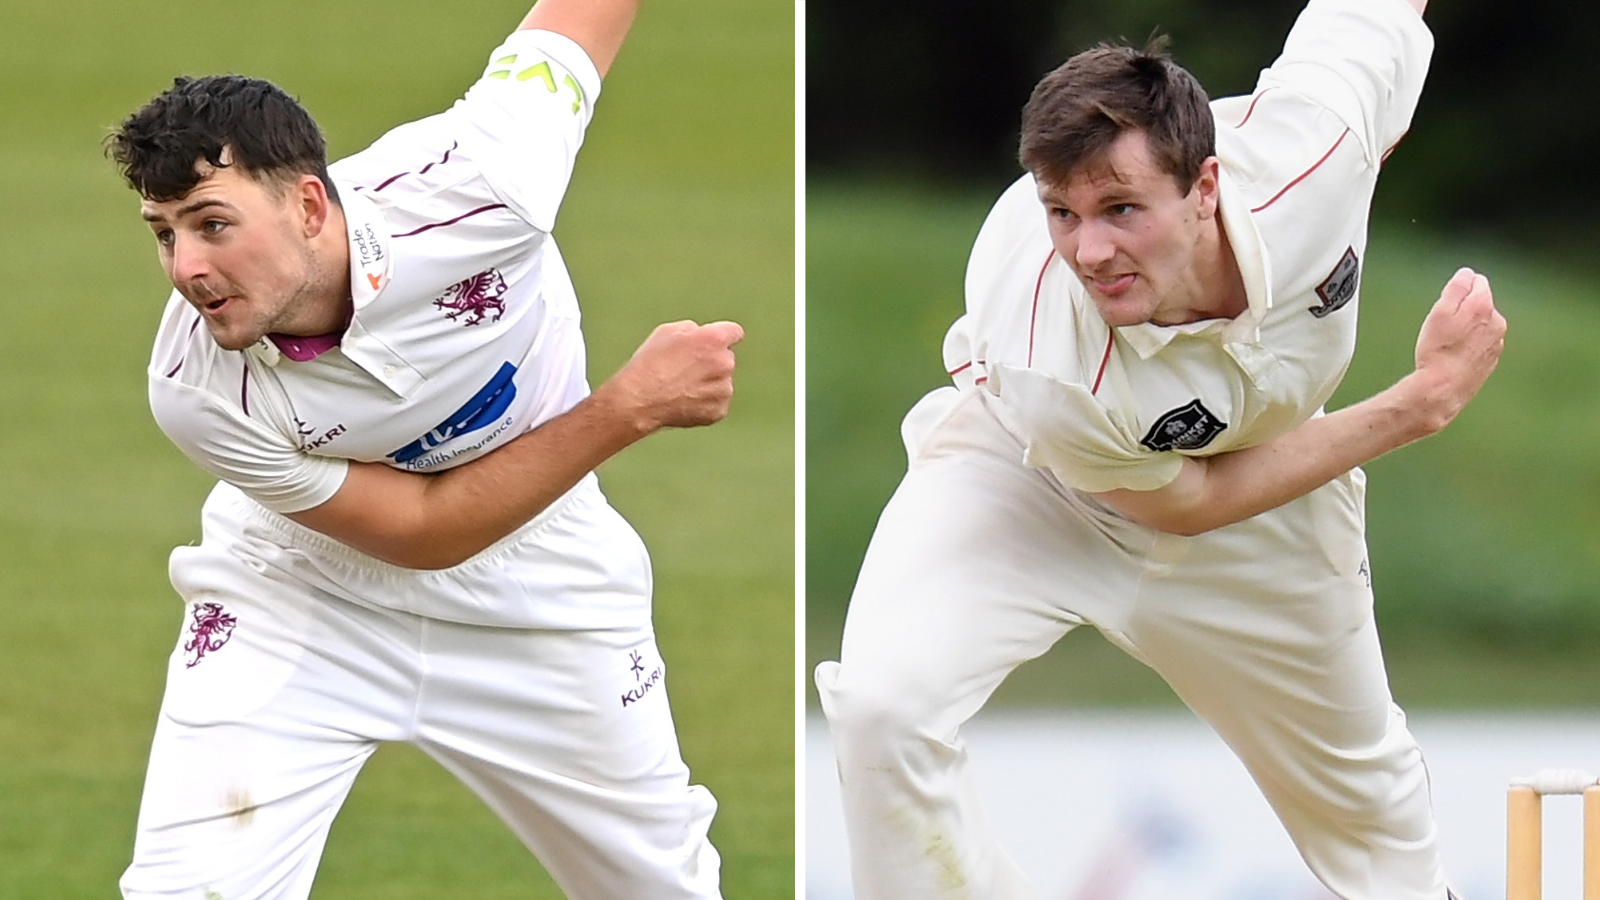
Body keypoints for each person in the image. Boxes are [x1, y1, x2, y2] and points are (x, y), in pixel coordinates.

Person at [814, 0, 1505, 897]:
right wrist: (1419, 404)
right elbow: (1186, 505)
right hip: (1030, 481)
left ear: (1206, 186)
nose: (1090, 250)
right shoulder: (1044, 348)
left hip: (1267, 487)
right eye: (1061, 211)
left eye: (1122, 208)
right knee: (882, 711)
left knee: (1372, 812)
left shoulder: (1314, 147)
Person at [107, 1, 741, 897]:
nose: (185, 269)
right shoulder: (194, 387)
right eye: (163, 233)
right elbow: (422, 531)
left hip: (545, 577)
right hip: (300, 591)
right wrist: (627, 407)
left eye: (212, 224)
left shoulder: (486, 173)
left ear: (311, 205)